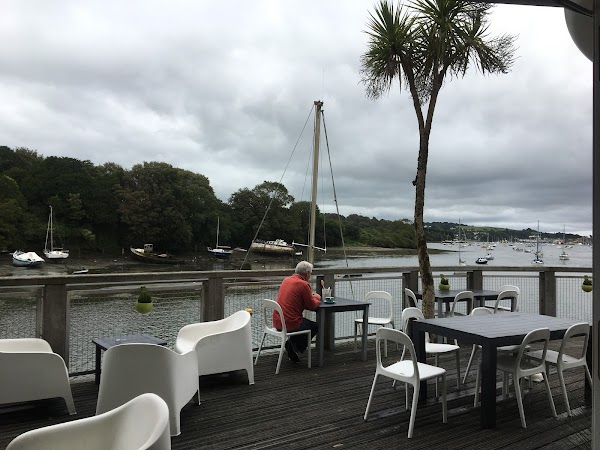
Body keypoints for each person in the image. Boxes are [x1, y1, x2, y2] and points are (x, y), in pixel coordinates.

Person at [274, 260, 321, 363]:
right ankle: (294, 347)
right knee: (315, 326)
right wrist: (317, 297)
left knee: (304, 323)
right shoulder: (303, 284)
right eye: (310, 273)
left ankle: (292, 345)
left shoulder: (286, 280)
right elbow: (312, 305)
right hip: (290, 323)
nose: (310, 276)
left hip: (278, 322)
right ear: (307, 273)